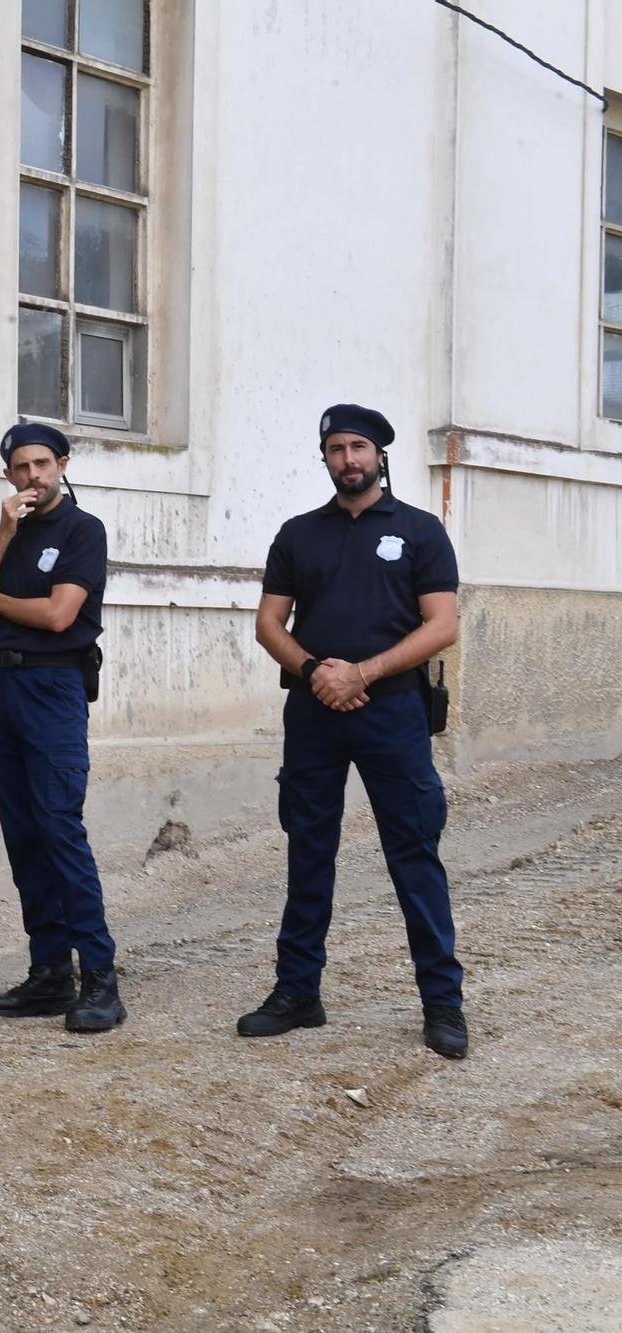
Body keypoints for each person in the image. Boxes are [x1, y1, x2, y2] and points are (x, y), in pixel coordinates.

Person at [242, 403, 467, 1058]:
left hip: (393, 711)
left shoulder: (421, 532)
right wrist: (317, 672)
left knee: (413, 850)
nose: (348, 459)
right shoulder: (298, 534)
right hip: (314, 713)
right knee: (308, 847)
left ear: (380, 455)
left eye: (358, 447)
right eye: (337, 448)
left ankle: (443, 1002)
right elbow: (269, 625)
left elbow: (442, 624)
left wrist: (362, 671)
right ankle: (297, 991)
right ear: (326, 458)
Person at [0, 423, 124, 1033]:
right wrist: (4, 534)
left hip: (54, 687)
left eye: (42, 464)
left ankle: (100, 977)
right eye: (21, 468)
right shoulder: (8, 532)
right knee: (23, 832)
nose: (33, 477)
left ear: (62, 464)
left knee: (59, 827)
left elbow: (58, 614)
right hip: (0, 686)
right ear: (8, 476)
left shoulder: (83, 530)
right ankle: (49, 972)